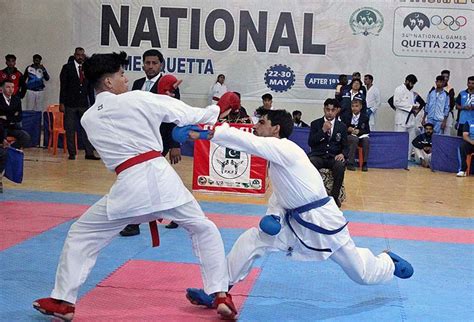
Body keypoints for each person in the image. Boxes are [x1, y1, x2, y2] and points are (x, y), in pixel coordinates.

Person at [32, 52, 241, 320]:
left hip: (128, 189)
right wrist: (218, 106)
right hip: (163, 181)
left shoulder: (88, 119)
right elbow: (192, 115)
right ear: (108, 82)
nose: (126, 78)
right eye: (120, 74)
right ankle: (220, 293)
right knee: (204, 228)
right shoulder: (138, 98)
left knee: (82, 233)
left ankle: (63, 300)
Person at [178, 109, 413, 310]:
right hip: (294, 223)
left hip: (321, 222)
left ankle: (387, 262)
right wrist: (273, 215)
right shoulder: (277, 156)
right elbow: (282, 195)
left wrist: (208, 132)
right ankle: (219, 291)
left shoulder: (284, 148)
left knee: (360, 273)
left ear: (276, 129)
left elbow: (248, 143)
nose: (255, 126)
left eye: (262, 123)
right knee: (252, 239)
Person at [120, 49, 183, 236]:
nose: (150, 66)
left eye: (154, 63)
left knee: (143, 180)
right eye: (147, 63)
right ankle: (179, 214)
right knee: (155, 180)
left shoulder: (169, 85)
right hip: (140, 140)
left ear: (161, 65)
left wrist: (174, 144)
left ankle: (135, 223)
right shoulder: (138, 84)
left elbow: (174, 116)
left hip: (160, 140)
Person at [59, 47, 99, 160]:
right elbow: (63, 87)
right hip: (70, 103)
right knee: (70, 129)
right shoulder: (67, 68)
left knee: (87, 128)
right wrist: (61, 103)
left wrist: (93, 104)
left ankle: (89, 153)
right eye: (78, 55)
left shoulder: (87, 68)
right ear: (74, 55)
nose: (80, 57)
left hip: (83, 104)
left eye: (82, 55)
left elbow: (90, 88)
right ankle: (72, 153)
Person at [308, 98, 348, 208]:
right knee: (310, 163)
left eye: (332, 110)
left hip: (333, 157)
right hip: (318, 155)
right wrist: (323, 131)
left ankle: (334, 197)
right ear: (324, 109)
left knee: (340, 165)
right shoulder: (315, 123)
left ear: (337, 111)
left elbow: (345, 146)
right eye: (327, 109)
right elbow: (311, 142)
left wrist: (343, 154)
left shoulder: (342, 126)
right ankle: (313, 196)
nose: (330, 112)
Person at [393, 74, 421, 160]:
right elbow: (396, 103)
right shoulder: (399, 89)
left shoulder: (411, 92)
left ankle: (407, 158)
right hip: (401, 119)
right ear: (407, 81)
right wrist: (410, 107)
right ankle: (397, 158)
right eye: (412, 84)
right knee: (399, 139)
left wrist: (415, 107)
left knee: (410, 140)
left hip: (411, 119)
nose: (412, 86)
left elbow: (411, 103)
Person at [341, 98, 370, 171]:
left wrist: (359, 131)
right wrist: (348, 129)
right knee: (354, 139)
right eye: (353, 106)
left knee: (366, 140)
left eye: (356, 106)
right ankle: (350, 163)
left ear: (360, 107)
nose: (354, 108)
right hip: (349, 136)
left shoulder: (365, 117)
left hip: (360, 136)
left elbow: (367, 130)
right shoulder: (345, 116)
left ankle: (364, 163)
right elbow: (341, 128)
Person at [0, 80, 31, 149]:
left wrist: (6, 117)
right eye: (8, 87)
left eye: (12, 87)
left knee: (26, 137)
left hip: (12, 127)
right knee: (2, 136)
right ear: (1, 88)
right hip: (1, 127)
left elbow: (19, 117)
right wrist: (12, 116)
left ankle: (10, 149)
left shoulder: (16, 100)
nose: (11, 89)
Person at [440, 70, 456, 136]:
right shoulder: (435, 88)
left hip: (447, 114)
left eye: (447, 77)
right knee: (437, 133)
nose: (446, 78)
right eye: (444, 77)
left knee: (447, 133)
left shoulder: (450, 89)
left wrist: (445, 118)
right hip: (437, 113)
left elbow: (451, 104)